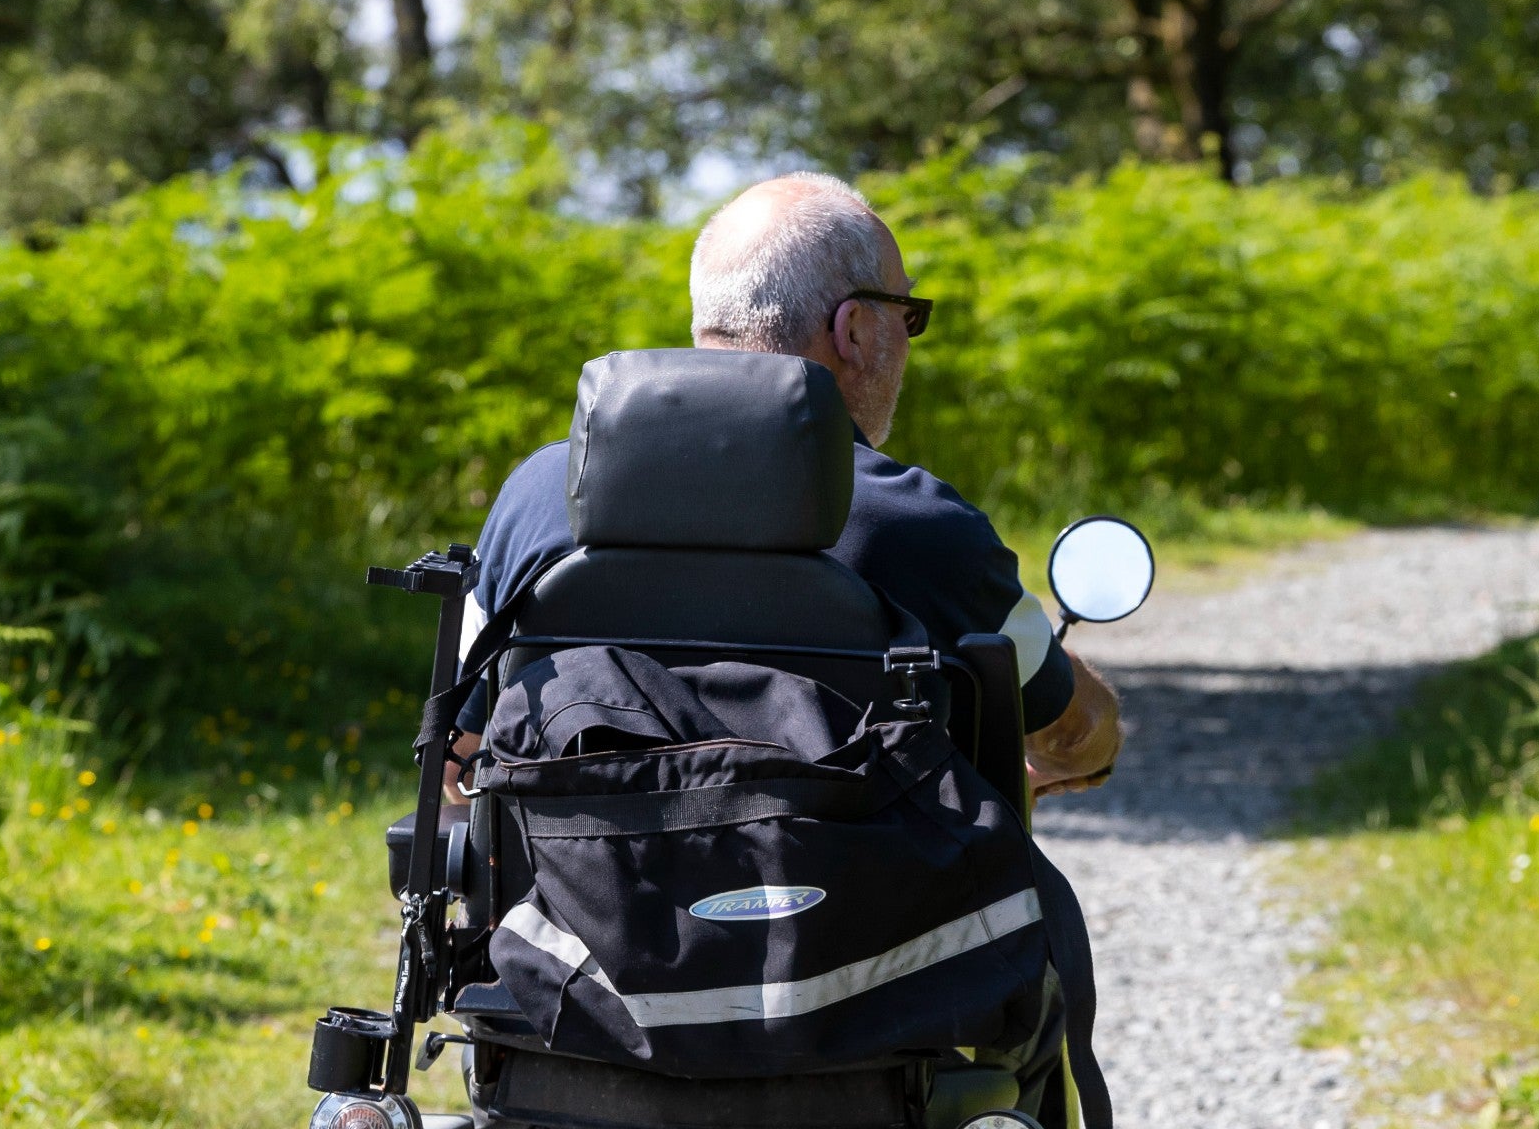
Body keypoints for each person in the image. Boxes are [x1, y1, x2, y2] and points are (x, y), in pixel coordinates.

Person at [447, 171, 1122, 796]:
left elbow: (456, 756)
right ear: (854, 329)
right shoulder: (920, 527)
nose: (909, 338)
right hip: (850, 922)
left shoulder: (538, 494)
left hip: (574, 921)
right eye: (906, 314)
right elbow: (1074, 733)